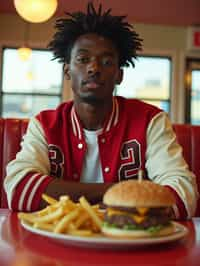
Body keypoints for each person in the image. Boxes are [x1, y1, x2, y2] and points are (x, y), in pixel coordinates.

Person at [4, 2, 198, 218]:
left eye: (106, 61)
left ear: (119, 75)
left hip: (131, 245)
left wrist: (65, 194)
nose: (94, 68)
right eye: (83, 59)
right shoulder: (45, 124)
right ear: (67, 70)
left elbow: (183, 195)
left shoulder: (150, 120)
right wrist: (119, 193)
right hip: (55, 245)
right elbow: (19, 189)